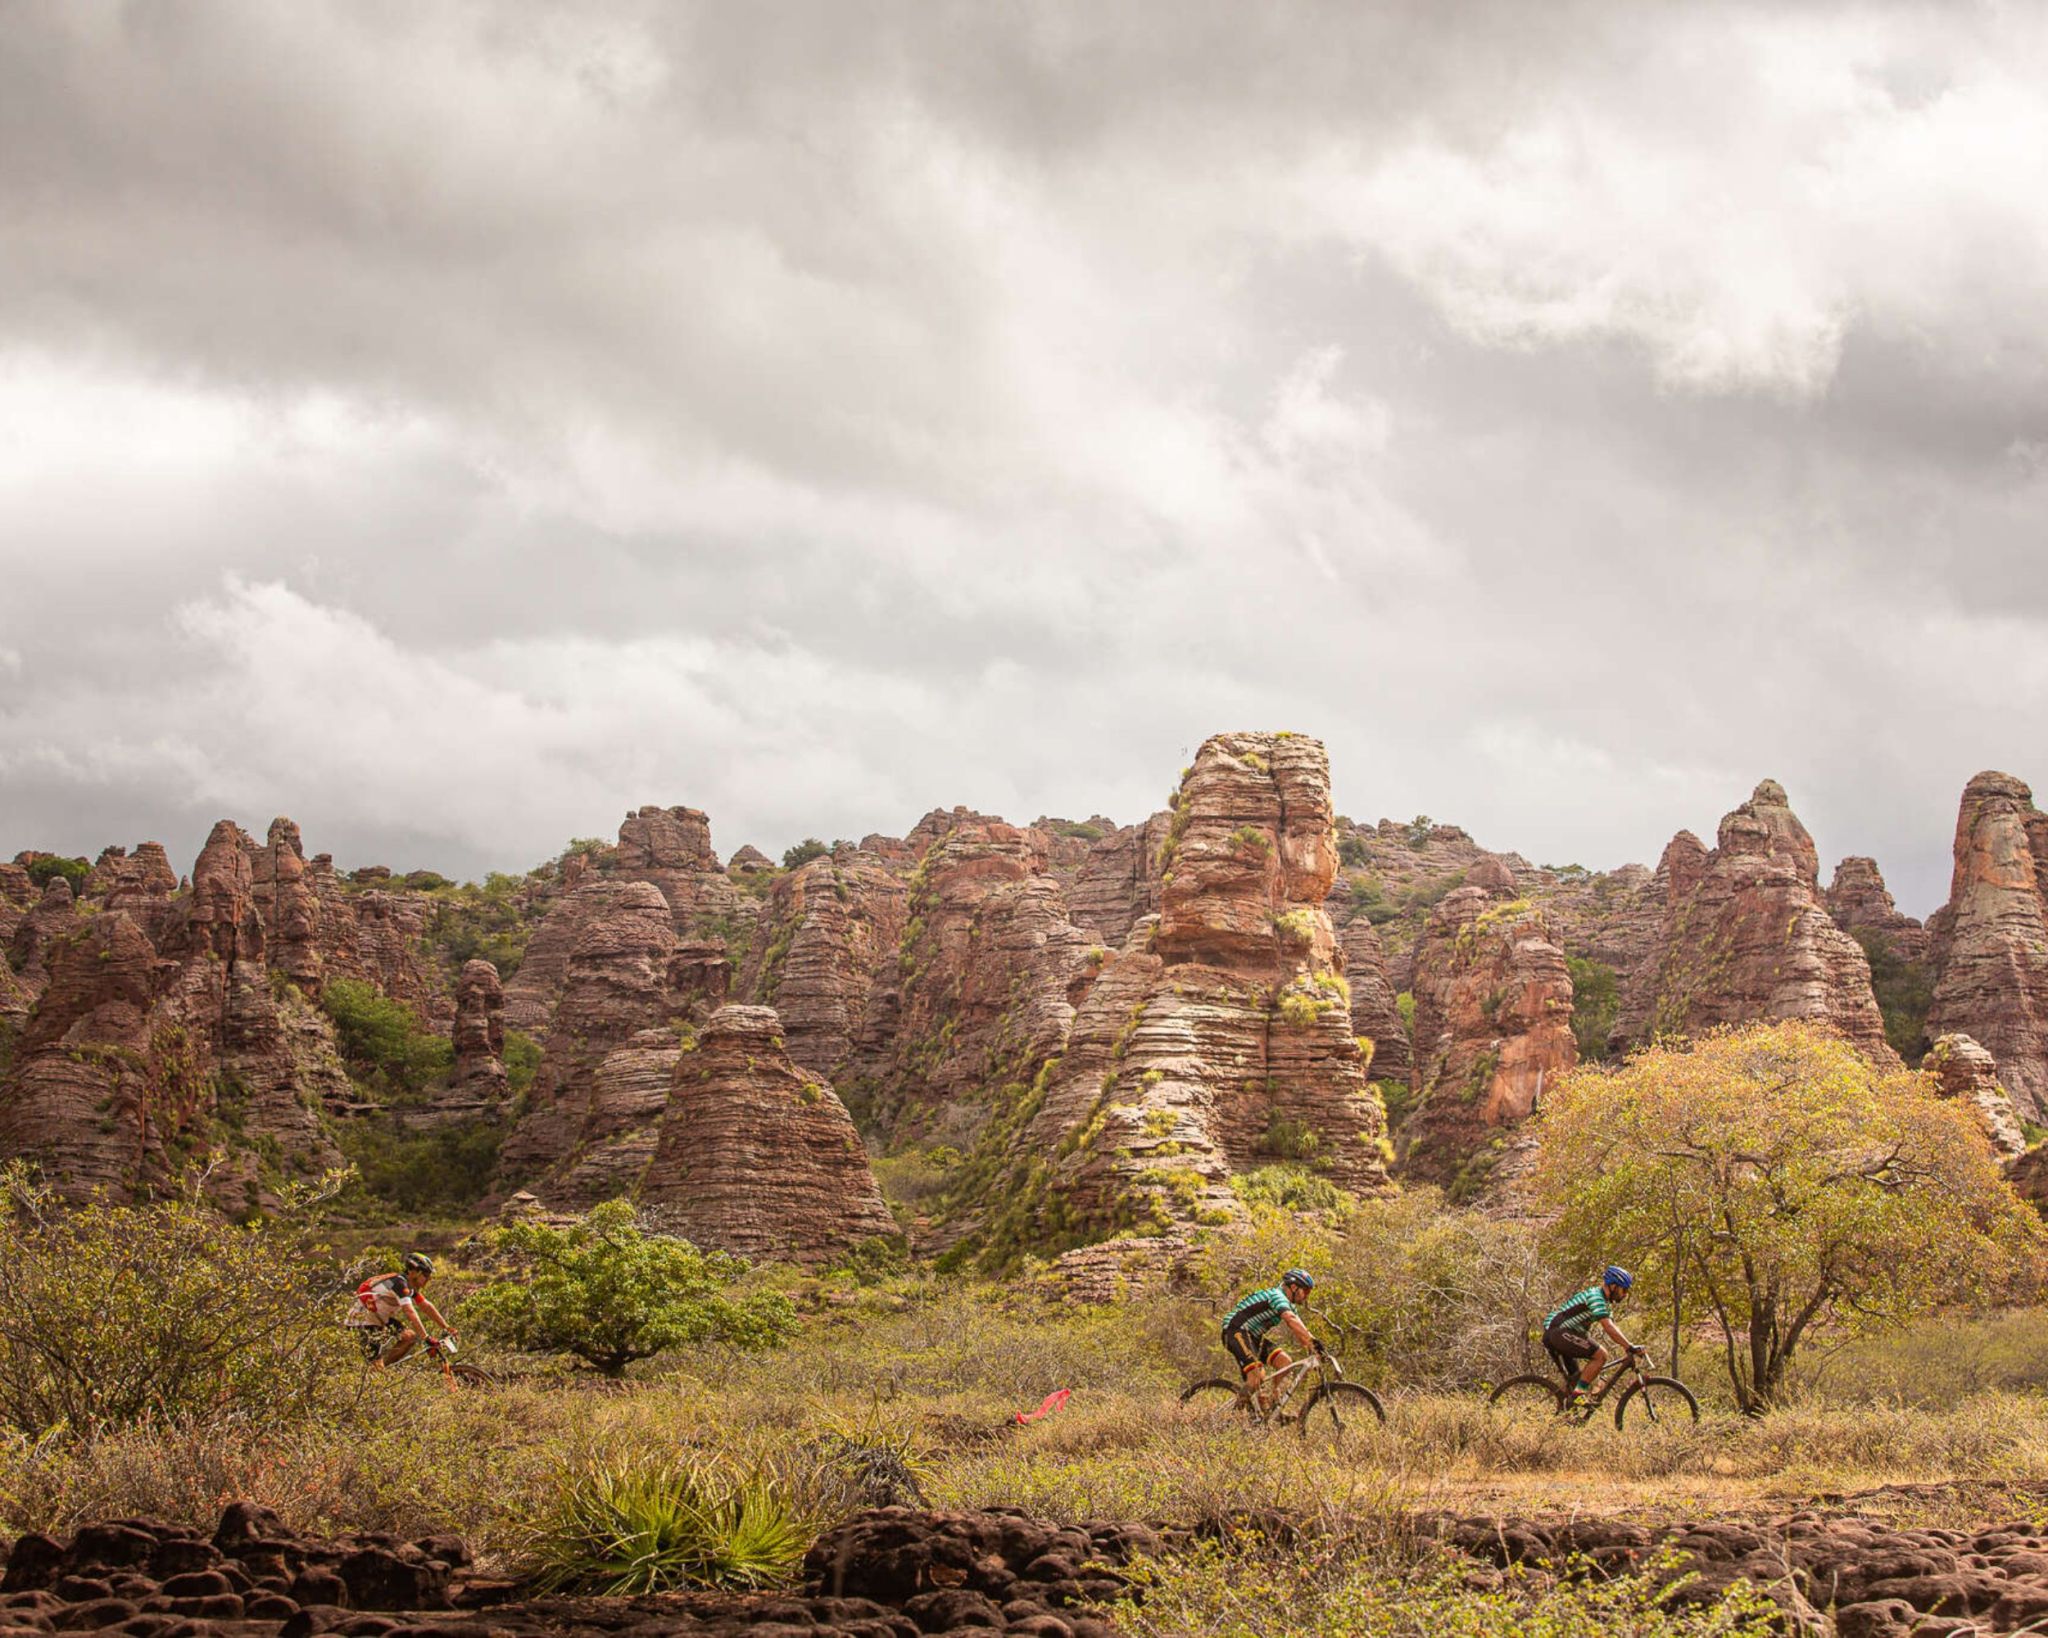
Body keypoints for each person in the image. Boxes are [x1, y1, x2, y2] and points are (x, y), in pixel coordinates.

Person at [1221, 1268, 1320, 1410]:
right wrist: (1312, 1343)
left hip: (1252, 1336)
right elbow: (1290, 1320)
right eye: (1306, 1291)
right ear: (1293, 1287)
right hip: (1234, 1330)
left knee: (1285, 1362)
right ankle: (1233, 1417)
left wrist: (1313, 1347)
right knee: (1257, 1377)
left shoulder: (1290, 1305)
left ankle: (1271, 1407)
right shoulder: (1277, 1295)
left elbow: (1300, 1328)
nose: (1306, 1296)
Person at [1544, 1265, 1636, 1405]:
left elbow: (1613, 1326)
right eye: (1624, 1289)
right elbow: (1608, 1327)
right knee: (1601, 1355)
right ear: (1612, 1286)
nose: (1625, 1294)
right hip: (1558, 1332)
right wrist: (1629, 1346)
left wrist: (1627, 1345)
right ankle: (1576, 1398)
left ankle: (1568, 1414)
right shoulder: (1596, 1297)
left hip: (1560, 1334)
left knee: (1578, 1379)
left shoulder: (1604, 1302)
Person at [350, 1251, 456, 1367]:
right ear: (414, 1272)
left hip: (379, 1319)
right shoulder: (399, 1283)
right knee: (377, 1370)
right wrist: (426, 1337)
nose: (429, 1278)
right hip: (362, 1321)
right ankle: (379, 1372)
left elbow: (426, 1306)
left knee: (409, 1337)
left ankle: (383, 1368)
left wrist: (447, 1327)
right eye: (425, 1275)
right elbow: (410, 1311)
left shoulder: (408, 1286)